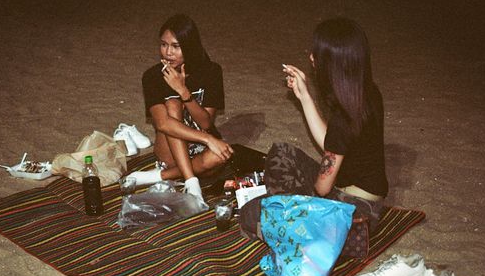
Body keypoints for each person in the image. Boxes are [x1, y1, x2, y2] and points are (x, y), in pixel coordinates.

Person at [245, 17, 388, 236]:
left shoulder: (344, 117)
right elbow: (332, 144)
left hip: (352, 211)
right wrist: (304, 96)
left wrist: (300, 197)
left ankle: (294, 227)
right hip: (370, 205)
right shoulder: (368, 93)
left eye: (317, 54)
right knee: (283, 152)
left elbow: (323, 187)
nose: (312, 58)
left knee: (251, 213)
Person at [128, 14, 234, 203]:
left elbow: (205, 122)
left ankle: (160, 176)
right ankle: (191, 184)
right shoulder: (152, 76)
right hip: (170, 147)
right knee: (172, 104)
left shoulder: (211, 72)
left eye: (176, 46)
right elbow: (163, 124)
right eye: (163, 44)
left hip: (198, 143)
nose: (167, 52)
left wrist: (183, 91)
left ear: (190, 46)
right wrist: (209, 139)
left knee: (220, 156)